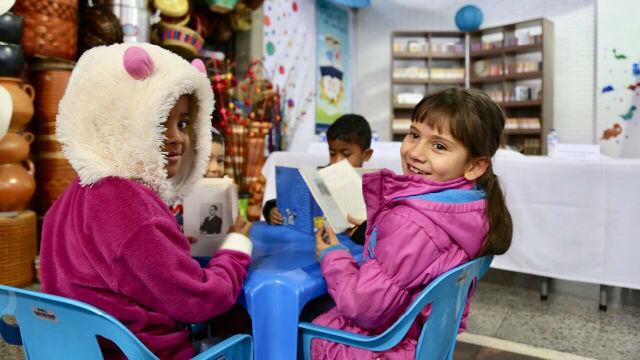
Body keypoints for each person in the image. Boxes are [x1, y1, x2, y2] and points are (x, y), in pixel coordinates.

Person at [39, 43, 253, 360]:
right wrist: (235, 248)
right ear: (118, 122)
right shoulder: (133, 209)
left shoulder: (78, 190)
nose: (177, 137)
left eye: (182, 123)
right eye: (158, 121)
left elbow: (115, 262)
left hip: (73, 349)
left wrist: (165, 244)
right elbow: (200, 301)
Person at [311, 87, 513, 359]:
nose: (415, 152)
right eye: (414, 135)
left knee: (299, 318)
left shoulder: (411, 223)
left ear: (475, 166)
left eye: (439, 145)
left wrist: (332, 254)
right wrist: (382, 225)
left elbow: (363, 308)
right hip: (422, 344)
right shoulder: (474, 208)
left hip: (382, 349)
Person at [263, 114, 373, 236]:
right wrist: (271, 211)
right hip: (316, 242)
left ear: (367, 154)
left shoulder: (373, 185)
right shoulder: (320, 177)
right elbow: (292, 200)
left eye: (346, 154)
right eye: (332, 153)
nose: (336, 161)